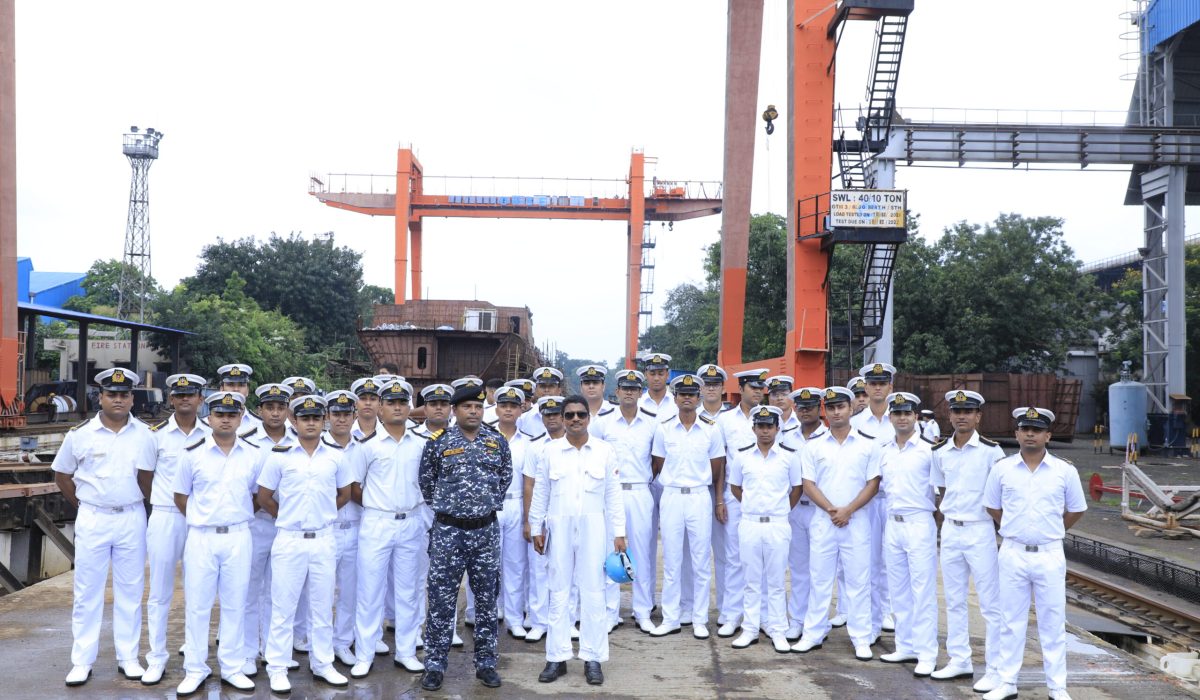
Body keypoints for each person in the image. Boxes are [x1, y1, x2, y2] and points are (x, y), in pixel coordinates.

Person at [53, 368, 157, 687]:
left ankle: (128, 657)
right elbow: (62, 475)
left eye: (125, 394)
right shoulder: (80, 434)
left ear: (132, 398)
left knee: (130, 589)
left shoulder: (146, 434)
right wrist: (82, 506)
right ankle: (82, 661)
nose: (119, 399)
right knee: (87, 591)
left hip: (131, 515)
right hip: (94, 517)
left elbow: (150, 480)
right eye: (112, 394)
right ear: (101, 397)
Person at [981, 408, 1086, 700]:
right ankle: (1007, 683)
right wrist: (1014, 527)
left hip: (1049, 553)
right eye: (1025, 429)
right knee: (1010, 620)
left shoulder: (1065, 471)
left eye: (1037, 430)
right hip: (1013, 551)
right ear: (1016, 434)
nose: (1030, 434)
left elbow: (1076, 509)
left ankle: (1057, 687)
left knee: (1052, 621)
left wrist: (1052, 530)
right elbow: (992, 506)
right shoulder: (1002, 469)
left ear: (1048, 436)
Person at [418, 385, 513, 692]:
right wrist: (450, 509)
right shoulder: (439, 443)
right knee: (441, 600)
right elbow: (426, 482)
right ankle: (434, 664)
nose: (473, 411)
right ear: (455, 411)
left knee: (486, 600)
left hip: (485, 531)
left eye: (478, 406)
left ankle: (485, 663)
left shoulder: (496, 441)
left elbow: (504, 477)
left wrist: (484, 505)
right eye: (467, 406)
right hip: (448, 532)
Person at [256, 394, 353, 693]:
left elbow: (345, 494)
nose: (310, 423)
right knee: (283, 607)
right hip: (290, 539)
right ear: (293, 421)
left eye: (315, 418)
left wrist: (320, 516)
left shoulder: (336, 455)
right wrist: (287, 516)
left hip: (324, 538)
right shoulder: (280, 455)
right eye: (304, 418)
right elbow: (263, 497)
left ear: (323, 420)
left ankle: (322, 663)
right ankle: (278, 666)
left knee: (323, 606)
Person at [529, 395, 626, 686]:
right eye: (569, 414)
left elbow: (613, 494)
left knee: (594, 591)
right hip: (558, 526)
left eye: (580, 414)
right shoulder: (550, 452)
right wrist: (536, 526)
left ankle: (593, 658)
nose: (574, 419)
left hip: (594, 526)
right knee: (557, 591)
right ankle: (556, 657)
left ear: (588, 418)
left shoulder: (604, 451)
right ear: (562, 417)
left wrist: (619, 532)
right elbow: (541, 492)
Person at [173, 391, 260, 695]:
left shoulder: (252, 454)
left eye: (232, 414)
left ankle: (232, 667)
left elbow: (257, 497)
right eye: (220, 414)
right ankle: (195, 668)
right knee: (198, 605)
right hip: (202, 537)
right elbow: (180, 497)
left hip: (238, 535)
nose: (225, 419)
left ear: (240, 417)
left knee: (236, 604)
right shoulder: (192, 452)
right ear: (208, 417)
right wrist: (203, 518)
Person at [349, 379, 432, 678]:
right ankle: (365, 653)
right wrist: (376, 506)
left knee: (408, 591)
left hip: (411, 521)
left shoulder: (421, 444)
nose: (398, 407)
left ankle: (407, 651)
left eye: (403, 402)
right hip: (377, 522)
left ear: (410, 407)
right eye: (391, 402)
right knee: (370, 590)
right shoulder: (366, 446)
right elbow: (354, 487)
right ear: (381, 408)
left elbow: (427, 484)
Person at [792, 386, 880, 661]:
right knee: (819, 579)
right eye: (830, 408)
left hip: (856, 520)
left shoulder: (868, 444)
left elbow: (873, 483)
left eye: (841, 406)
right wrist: (832, 510)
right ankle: (813, 634)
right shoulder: (813, 446)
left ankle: (861, 637)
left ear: (851, 408)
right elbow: (808, 484)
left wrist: (848, 510)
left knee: (858, 581)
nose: (836, 412)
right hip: (824, 519)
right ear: (825, 411)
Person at [930, 389, 1006, 688]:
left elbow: (1001, 495)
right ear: (949, 415)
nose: (961, 416)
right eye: (956, 411)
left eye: (968, 411)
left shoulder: (992, 452)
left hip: (979, 529)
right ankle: (959, 660)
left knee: (989, 603)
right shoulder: (939, 452)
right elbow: (942, 492)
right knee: (953, 599)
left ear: (978, 416)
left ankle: (996, 668)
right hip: (951, 529)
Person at [141, 373, 210, 686]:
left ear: (200, 398)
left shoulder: (211, 433)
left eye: (191, 394)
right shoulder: (155, 435)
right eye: (179, 394)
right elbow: (145, 477)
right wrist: (161, 502)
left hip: (198, 518)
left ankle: (195, 657)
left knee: (199, 590)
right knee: (159, 592)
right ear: (170, 399)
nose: (185, 399)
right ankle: (156, 658)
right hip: (167, 516)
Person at [649, 374, 726, 639]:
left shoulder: (711, 428)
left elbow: (718, 468)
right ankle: (671, 618)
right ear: (675, 397)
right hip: (671, 495)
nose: (687, 398)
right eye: (682, 394)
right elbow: (657, 464)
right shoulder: (664, 427)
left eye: (692, 394)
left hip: (698, 496)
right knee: (671, 560)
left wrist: (718, 500)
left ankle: (699, 618)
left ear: (699, 397)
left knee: (701, 560)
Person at [727, 405, 802, 654]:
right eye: (761, 426)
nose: (765, 431)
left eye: (770, 426)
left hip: (778, 524)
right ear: (753, 428)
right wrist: (752, 507)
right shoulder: (742, 455)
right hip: (749, 523)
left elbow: (796, 489)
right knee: (750, 580)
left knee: (777, 581)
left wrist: (779, 510)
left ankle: (778, 630)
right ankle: (750, 628)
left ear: (777, 428)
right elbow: (736, 488)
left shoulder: (789, 456)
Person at [590, 369, 659, 633]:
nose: (629, 392)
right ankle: (611, 612)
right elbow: (594, 456)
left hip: (641, 491)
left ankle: (642, 611)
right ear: (616, 392)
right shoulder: (603, 422)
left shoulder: (652, 422)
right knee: (611, 552)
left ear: (641, 393)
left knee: (642, 553)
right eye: (624, 388)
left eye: (634, 388)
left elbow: (657, 460)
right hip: (611, 493)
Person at [876, 392, 939, 677]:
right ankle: (905, 644)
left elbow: (940, 495)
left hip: (919, 522)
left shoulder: (930, 451)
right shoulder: (885, 450)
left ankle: (927, 653)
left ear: (916, 417)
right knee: (898, 588)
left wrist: (931, 524)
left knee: (922, 591)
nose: (902, 418)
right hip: (893, 523)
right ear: (890, 417)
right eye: (897, 413)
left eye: (907, 413)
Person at [241, 382, 298, 676]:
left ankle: (276, 652)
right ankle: (249, 651)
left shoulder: (300, 439)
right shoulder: (247, 441)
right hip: (256, 523)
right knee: (251, 591)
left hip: (287, 528)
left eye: (280, 407)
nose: (276, 413)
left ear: (287, 409)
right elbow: (245, 488)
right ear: (260, 409)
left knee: (280, 593)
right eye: (270, 407)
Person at [714, 368, 768, 638]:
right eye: (754, 388)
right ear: (742, 388)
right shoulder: (726, 420)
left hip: (765, 499)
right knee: (735, 558)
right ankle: (732, 614)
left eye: (762, 388)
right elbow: (721, 461)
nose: (759, 392)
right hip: (735, 498)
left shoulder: (770, 419)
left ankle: (764, 616)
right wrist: (720, 498)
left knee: (764, 559)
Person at [850, 362, 895, 636]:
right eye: (872, 383)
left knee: (891, 560)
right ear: (865, 386)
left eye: (882, 383)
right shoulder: (855, 424)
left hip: (891, 500)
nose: (877, 387)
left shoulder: (903, 418)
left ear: (891, 387)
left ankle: (888, 611)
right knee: (865, 560)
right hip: (864, 501)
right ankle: (866, 615)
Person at [781, 387, 828, 641]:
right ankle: (798, 620)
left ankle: (818, 624)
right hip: (796, 509)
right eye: (801, 406)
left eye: (810, 406)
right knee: (798, 569)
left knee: (820, 571)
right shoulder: (786, 437)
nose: (805, 410)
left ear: (819, 408)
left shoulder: (829, 437)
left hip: (821, 511)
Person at [323, 390, 365, 668]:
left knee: (350, 591)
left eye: (346, 414)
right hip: (326, 528)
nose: (341, 419)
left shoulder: (363, 447)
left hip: (356, 527)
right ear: (327, 416)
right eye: (336, 414)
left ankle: (342, 642)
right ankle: (322, 645)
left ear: (354, 416)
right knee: (322, 592)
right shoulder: (316, 445)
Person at [522, 395, 567, 643]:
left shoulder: (575, 442)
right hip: (542, 514)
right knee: (539, 571)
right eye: (547, 414)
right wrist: (530, 521)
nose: (551, 418)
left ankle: (567, 621)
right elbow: (528, 485)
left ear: (563, 415)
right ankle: (539, 622)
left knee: (568, 571)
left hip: (567, 513)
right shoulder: (535, 445)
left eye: (555, 413)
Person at [493, 387, 535, 639]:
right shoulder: (483, 437)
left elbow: (529, 482)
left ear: (521, 410)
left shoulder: (529, 442)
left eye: (514, 405)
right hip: (490, 506)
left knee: (516, 564)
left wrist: (529, 518)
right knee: (485, 565)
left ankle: (514, 618)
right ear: (496, 408)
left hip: (517, 503)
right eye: (504, 405)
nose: (508, 409)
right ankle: (479, 613)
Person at [217, 363, 261, 436]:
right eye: (230, 384)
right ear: (221, 389)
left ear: (247, 391)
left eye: (241, 385)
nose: (236, 389)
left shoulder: (260, 424)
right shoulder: (207, 423)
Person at [519, 367, 564, 436]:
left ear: (559, 390)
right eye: (542, 386)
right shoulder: (524, 418)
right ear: (536, 390)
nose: (546, 390)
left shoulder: (569, 416)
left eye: (551, 386)